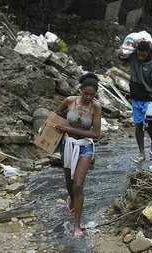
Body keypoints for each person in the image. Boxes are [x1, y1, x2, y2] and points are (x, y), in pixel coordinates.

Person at [55, 73, 102, 238]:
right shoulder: (69, 101)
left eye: (92, 94)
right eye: (86, 93)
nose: (89, 97)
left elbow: (96, 133)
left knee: (78, 184)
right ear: (81, 90)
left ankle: (77, 226)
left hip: (85, 146)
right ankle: (73, 201)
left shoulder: (96, 107)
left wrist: (70, 129)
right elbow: (56, 117)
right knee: (69, 184)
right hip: (67, 145)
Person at [118, 41, 152, 163]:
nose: (140, 58)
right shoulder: (133, 57)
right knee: (138, 125)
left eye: (143, 56)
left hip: (149, 99)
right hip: (136, 97)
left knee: (151, 126)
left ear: (148, 53)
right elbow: (123, 58)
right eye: (139, 55)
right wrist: (119, 54)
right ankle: (141, 152)